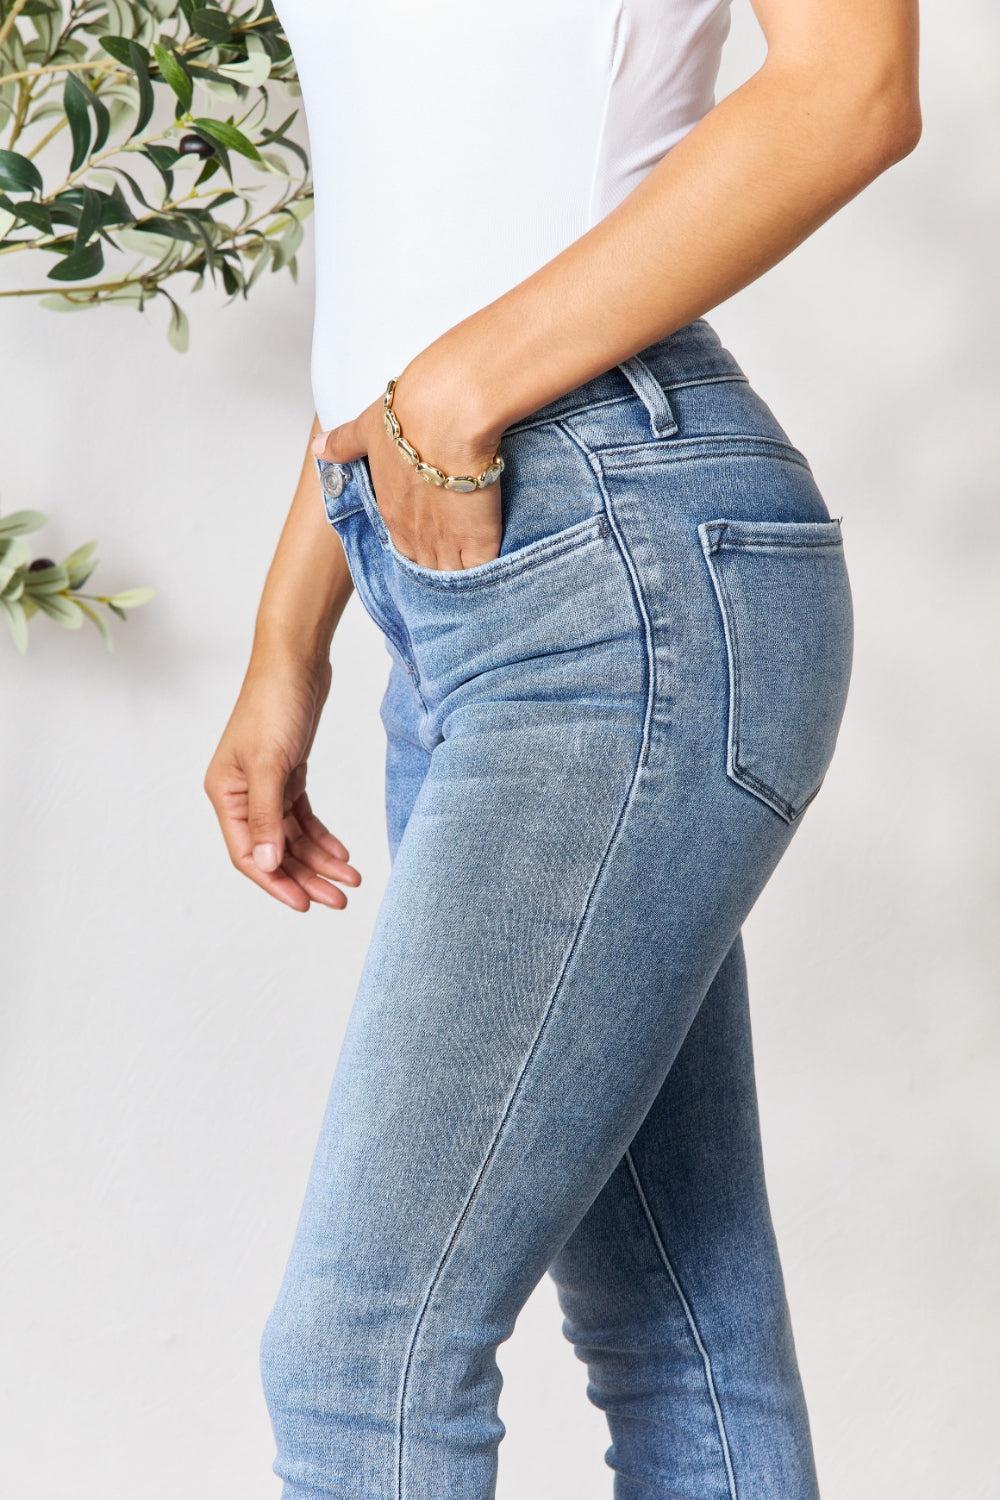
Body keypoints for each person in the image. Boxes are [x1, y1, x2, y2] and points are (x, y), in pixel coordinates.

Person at [204, 0, 920, 1494]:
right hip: (448, 569)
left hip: (614, 561)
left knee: (363, 1355)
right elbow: (428, 224)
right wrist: (292, 637)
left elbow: (854, 88)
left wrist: (458, 395)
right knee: (676, 1330)